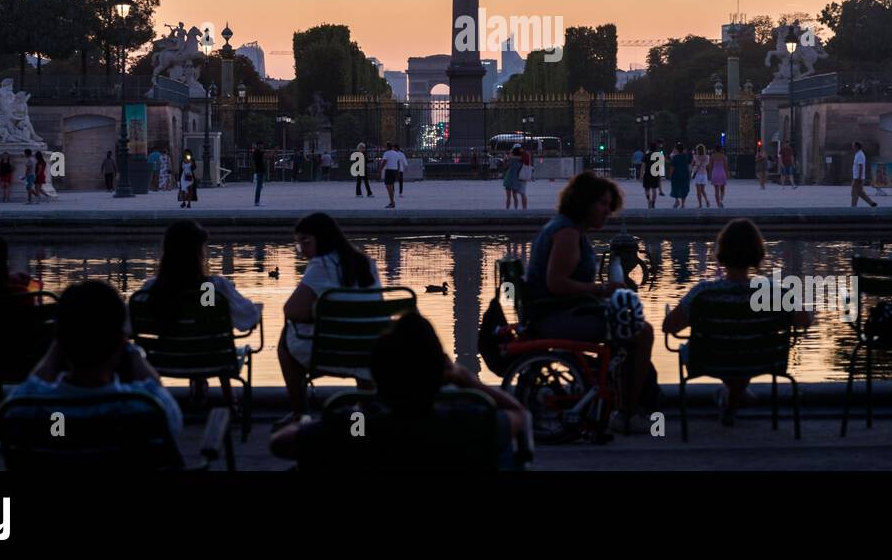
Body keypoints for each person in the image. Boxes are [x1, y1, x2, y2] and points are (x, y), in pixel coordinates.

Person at [270, 312, 528, 467]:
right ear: (440, 378)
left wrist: (354, 413)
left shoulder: (358, 429)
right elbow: (518, 413)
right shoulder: (465, 425)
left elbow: (280, 444)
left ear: (377, 375)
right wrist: (466, 379)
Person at [524, 172, 653, 432]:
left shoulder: (565, 228)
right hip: (555, 318)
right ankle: (626, 412)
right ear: (583, 203)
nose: (608, 211)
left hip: (554, 311)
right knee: (642, 333)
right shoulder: (568, 234)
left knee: (629, 326)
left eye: (609, 205)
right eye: (602, 204)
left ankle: (620, 401)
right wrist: (603, 289)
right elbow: (556, 284)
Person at [662, 219, 811, 424]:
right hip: (761, 358)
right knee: (745, 345)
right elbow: (805, 320)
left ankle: (731, 395)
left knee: (721, 345)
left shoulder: (702, 293)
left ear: (721, 253)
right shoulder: (775, 292)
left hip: (708, 359)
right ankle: (735, 395)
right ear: (758, 254)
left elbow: (669, 326)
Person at [8, 281, 184, 438]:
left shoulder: (27, 408)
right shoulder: (145, 407)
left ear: (61, 343)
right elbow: (173, 421)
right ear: (119, 344)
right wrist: (133, 352)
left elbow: (28, 388)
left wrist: (56, 347)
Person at [136, 220, 261, 406]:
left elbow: (128, 328)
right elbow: (248, 320)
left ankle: (195, 383)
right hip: (211, 358)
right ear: (199, 254)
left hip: (165, 361)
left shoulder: (151, 290)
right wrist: (257, 307)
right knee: (208, 326)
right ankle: (227, 399)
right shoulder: (209, 288)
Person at [276, 212, 381, 420]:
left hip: (331, 351)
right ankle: (367, 406)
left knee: (285, 340)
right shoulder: (367, 263)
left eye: (305, 242)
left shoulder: (321, 265)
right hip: (370, 350)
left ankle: (299, 412)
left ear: (322, 239)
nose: (301, 251)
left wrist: (315, 315)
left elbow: (291, 310)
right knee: (357, 333)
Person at [850, 141, 878, 208]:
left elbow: (861, 166)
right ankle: (872, 203)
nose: (852, 147)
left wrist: (859, 178)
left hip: (858, 178)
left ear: (856, 147)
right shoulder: (858, 154)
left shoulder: (860, 155)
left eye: (853, 146)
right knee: (860, 193)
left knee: (854, 193)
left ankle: (853, 207)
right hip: (857, 177)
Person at [381, 142, 405, 208]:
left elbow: (384, 162)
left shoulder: (386, 153)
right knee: (391, 186)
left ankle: (392, 202)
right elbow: (398, 163)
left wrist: (380, 169)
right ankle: (392, 201)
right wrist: (398, 172)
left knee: (389, 187)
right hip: (394, 170)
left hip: (389, 170)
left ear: (387, 147)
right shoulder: (396, 153)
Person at [668, 142, 691, 209]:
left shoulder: (675, 157)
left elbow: (672, 167)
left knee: (675, 187)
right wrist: (689, 175)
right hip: (684, 175)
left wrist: (670, 174)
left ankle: (676, 201)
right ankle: (683, 204)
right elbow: (688, 166)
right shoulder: (685, 157)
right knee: (684, 188)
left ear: (677, 149)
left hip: (676, 175)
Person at [690, 144, 711, 208]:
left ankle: (700, 204)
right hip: (704, 174)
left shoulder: (695, 156)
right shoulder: (707, 157)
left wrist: (693, 169)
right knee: (703, 190)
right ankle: (707, 201)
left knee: (698, 191)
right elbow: (708, 166)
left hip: (697, 174)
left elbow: (691, 165)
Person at [517, 143, 532, 207]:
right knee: (522, 193)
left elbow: (522, 160)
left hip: (523, 174)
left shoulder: (524, 154)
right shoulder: (526, 154)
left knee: (522, 193)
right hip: (523, 174)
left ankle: (524, 207)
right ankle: (524, 207)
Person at [252, 142, 266, 206]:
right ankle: (257, 201)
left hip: (260, 170)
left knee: (260, 186)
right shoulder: (257, 152)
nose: (262, 146)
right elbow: (265, 155)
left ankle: (257, 201)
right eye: (261, 145)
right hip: (260, 170)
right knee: (259, 186)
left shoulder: (257, 152)